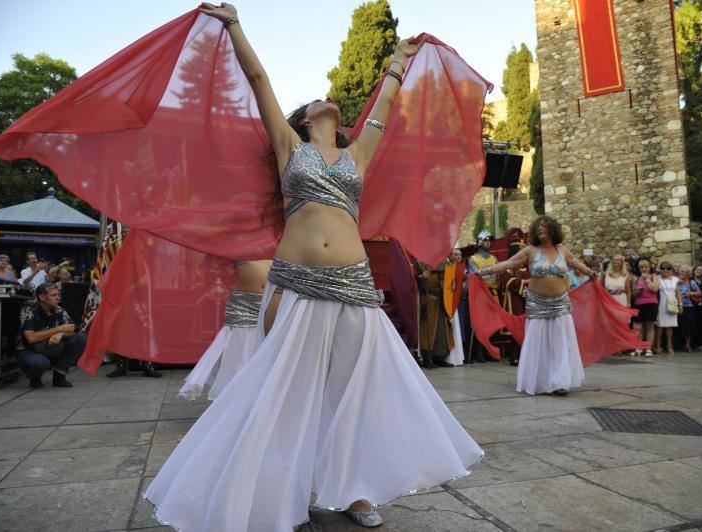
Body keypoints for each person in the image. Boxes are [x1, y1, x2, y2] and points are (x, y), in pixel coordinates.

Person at [145, 5, 483, 531]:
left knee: (353, 391)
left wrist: (398, 60)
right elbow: (258, 78)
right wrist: (233, 24)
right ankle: (282, 487)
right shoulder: (288, 148)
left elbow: (386, 107)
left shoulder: (359, 155)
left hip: (352, 285)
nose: (332, 97)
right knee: (284, 389)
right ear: (306, 117)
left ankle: (354, 489)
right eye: (320, 99)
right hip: (295, 285)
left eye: (337, 100)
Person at [477, 215, 594, 396]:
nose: (540, 229)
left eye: (544, 226)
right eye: (537, 227)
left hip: (561, 302)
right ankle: (540, 380)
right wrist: (485, 271)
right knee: (538, 343)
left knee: (561, 343)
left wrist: (589, 272)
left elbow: (575, 262)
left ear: (553, 230)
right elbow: (509, 263)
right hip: (537, 303)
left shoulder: (562, 250)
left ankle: (560, 381)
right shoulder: (530, 251)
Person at [179, 260, 272, 400]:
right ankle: (235, 400)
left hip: (276, 294)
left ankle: (257, 400)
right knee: (240, 348)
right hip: (245, 301)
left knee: (267, 349)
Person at [17, 283, 87, 388]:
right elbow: (31, 338)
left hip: (50, 347)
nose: (58, 298)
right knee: (40, 363)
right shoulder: (29, 309)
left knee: (80, 338)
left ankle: (59, 374)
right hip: (29, 350)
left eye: (58, 294)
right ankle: (35, 377)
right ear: (42, 297)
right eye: (54, 295)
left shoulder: (58, 309)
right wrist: (58, 329)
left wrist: (61, 333)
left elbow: (74, 328)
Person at [465, 231, 499, 362]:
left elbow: (495, 275)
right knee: (479, 324)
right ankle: (478, 353)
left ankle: (489, 351)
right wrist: (491, 272)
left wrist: (489, 273)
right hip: (480, 295)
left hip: (492, 294)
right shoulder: (473, 259)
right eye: (485, 240)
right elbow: (477, 276)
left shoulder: (494, 259)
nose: (488, 243)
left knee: (492, 323)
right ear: (479, 242)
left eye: (490, 240)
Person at [630, 259, 659, 356]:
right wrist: (637, 293)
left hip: (651, 304)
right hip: (638, 304)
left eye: (646, 266)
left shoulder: (654, 276)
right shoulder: (635, 278)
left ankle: (648, 348)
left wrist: (647, 280)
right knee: (638, 327)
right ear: (638, 268)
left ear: (649, 267)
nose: (644, 269)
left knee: (650, 326)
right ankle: (638, 347)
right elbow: (633, 294)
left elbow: (655, 289)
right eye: (641, 267)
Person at [655, 261, 682, 355]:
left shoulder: (675, 279)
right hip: (661, 304)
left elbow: (678, 293)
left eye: (668, 268)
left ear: (671, 270)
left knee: (670, 326)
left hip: (672, 304)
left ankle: (669, 345)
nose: (665, 270)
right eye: (663, 268)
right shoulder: (657, 279)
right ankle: (658, 344)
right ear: (660, 270)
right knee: (660, 325)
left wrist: (680, 304)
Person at [677, 266, 701, 352]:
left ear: (688, 273)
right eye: (681, 271)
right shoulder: (675, 281)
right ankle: (678, 344)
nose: (682, 273)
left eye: (684, 271)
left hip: (689, 306)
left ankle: (687, 345)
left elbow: (699, 292)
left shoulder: (692, 282)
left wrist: (691, 293)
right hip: (676, 306)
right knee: (679, 325)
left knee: (689, 326)